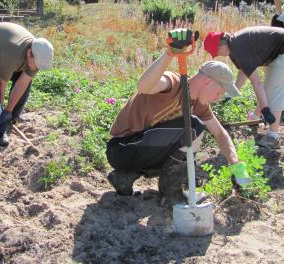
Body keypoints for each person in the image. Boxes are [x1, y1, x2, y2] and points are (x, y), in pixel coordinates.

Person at [106, 28, 250, 205]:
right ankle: (171, 194)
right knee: (193, 129)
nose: (218, 98)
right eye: (219, 92)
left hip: (138, 150)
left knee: (187, 144)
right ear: (207, 82)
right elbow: (144, 86)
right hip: (121, 147)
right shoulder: (173, 83)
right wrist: (169, 54)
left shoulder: (199, 105)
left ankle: (124, 177)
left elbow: (220, 134)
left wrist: (236, 165)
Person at [203, 26, 284, 148]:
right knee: (269, 87)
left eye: (215, 52)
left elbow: (256, 82)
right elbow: (243, 71)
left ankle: (273, 136)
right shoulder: (233, 45)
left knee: (274, 91)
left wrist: (266, 109)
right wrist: (232, 93)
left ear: (220, 46)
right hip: (279, 48)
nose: (217, 56)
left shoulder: (239, 49)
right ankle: (255, 117)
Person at [0, 22, 53, 147]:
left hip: (2, 47)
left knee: (25, 82)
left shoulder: (38, 56)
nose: (37, 68)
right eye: (36, 64)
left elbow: (22, 83)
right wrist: (0, 115)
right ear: (29, 53)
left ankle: (12, 117)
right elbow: (1, 85)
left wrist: (9, 111)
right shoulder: (13, 53)